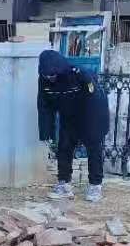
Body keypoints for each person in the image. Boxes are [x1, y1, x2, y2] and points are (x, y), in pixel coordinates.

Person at [38, 48, 110, 202]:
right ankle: (64, 184)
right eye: (47, 76)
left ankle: (95, 185)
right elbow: (44, 106)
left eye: (53, 75)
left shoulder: (78, 74)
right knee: (64, 146)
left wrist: (94, 127)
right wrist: (46, 133)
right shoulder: (44, 80)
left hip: (91, 113)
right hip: (68, 114)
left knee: (93, 147)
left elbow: (95, 98)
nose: (50, 78)